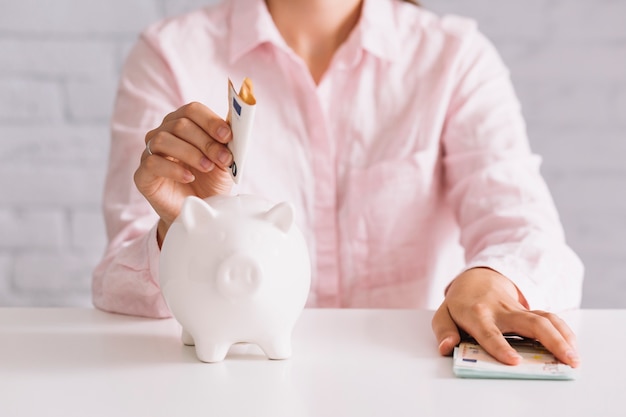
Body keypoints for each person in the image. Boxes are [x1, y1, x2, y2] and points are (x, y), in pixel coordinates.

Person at [92, 0, 584, 368]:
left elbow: (531, 236)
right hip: (234, 391)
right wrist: (180, 233)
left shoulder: (454, 57)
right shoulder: (171, 55)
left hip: (414, 382)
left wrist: (489, 279)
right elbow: (118, 284)